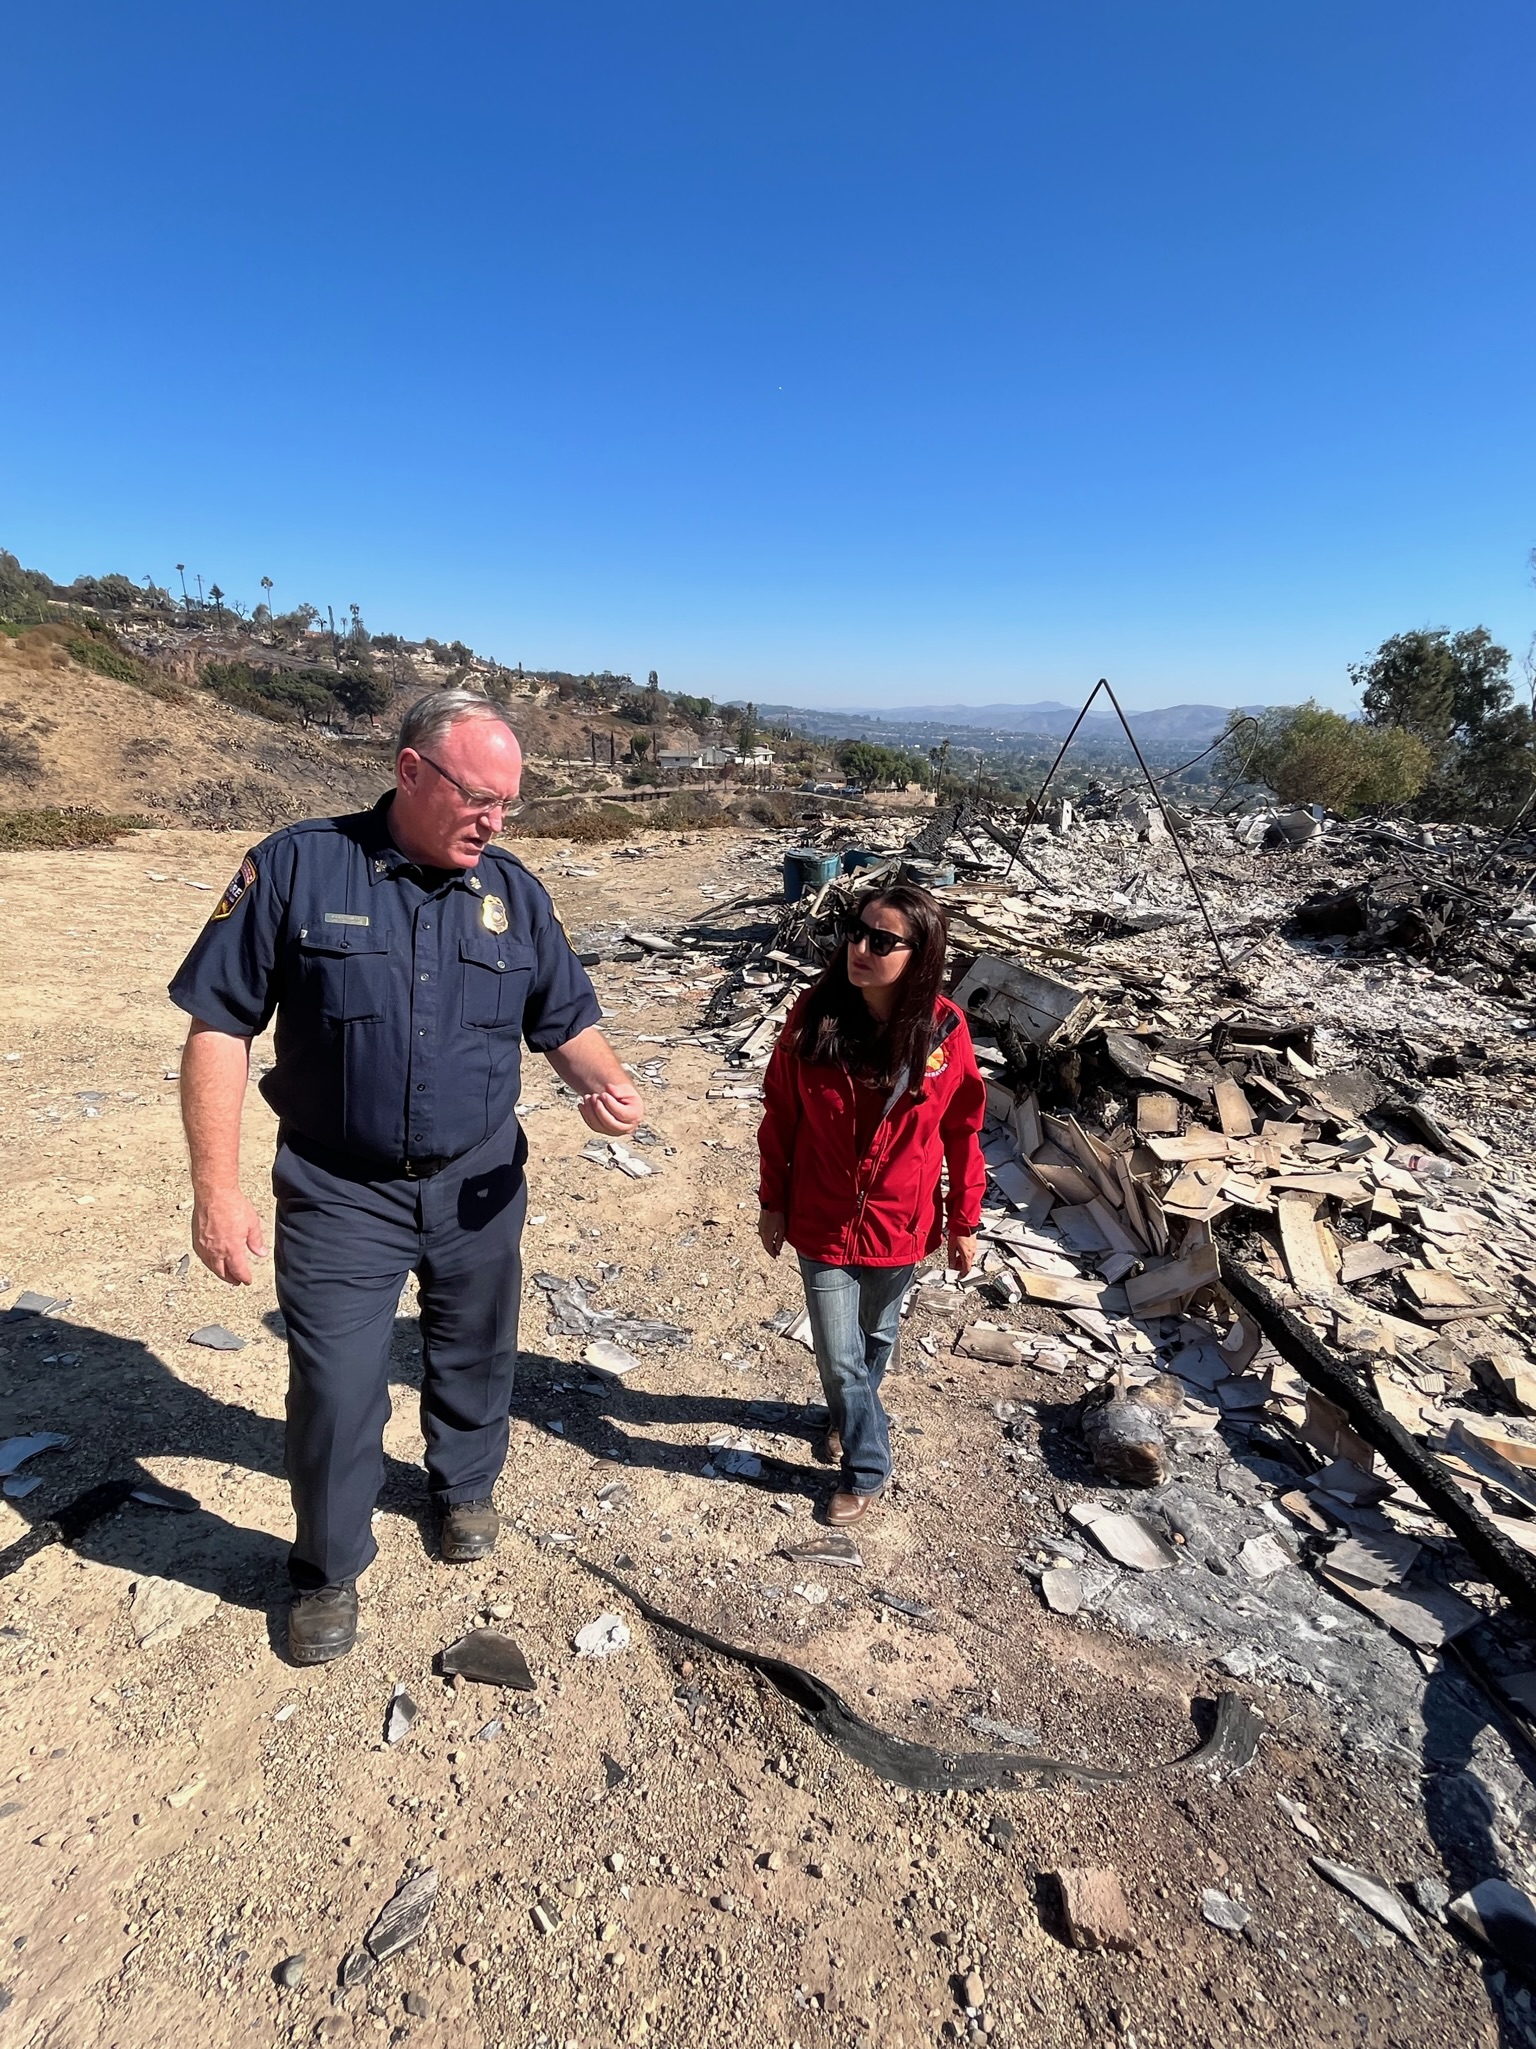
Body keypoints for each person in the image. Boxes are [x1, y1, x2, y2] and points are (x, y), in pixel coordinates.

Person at [168, 689, 642, 1664]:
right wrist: (217, 1190)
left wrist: (606, 1083)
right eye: (478, 797)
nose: (495, 820)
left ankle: (464, 1488)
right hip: (340, 1189)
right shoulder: (296, 867)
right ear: (411, 771)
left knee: (475, 1349)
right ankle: (327, 1569)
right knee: (338, 1387)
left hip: (477, 1182)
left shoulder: (514, 893)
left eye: (509, 804)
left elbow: (563, 1018)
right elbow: (218, 1026)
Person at [755, 882, 986, 1525]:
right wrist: (774, 1200)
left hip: (901, 1222)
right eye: (854, 932)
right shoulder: (814, 1014)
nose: (859, 948)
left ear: (919, 955)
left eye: (881, 941)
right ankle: (866, 1462)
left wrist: (965, 1220)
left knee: (877, 1333)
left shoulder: (944, 1031)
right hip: (822, 1215)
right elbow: (781, 1117)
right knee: (837, 1349)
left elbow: (963, 1131)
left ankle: (846, 1415)